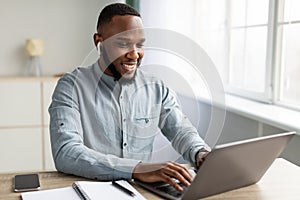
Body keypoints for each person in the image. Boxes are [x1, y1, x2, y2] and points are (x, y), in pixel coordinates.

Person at [49, 3, 210, 192]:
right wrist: (136, 169)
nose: (134, 54)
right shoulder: (71, 86)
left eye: (140, 44)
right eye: (123, 43)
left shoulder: (156, 87)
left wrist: (201, 152)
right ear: (98, 42)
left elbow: (181, 130)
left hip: (142, 192)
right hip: (90, 190)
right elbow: (66, 152)